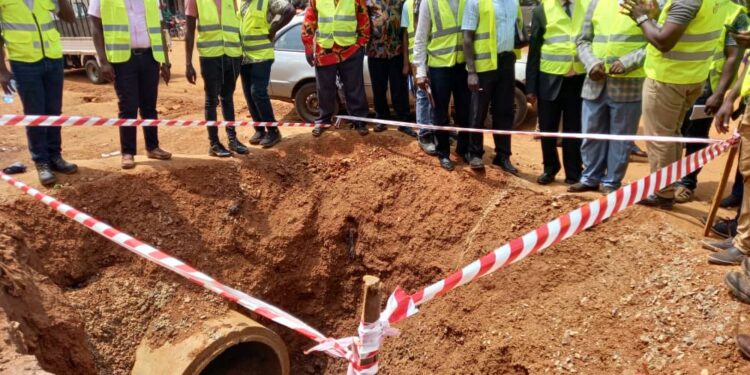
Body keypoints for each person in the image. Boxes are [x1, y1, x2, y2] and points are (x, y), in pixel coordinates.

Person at [622, 0, 724, 209]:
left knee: (660, 138)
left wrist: (640, 17)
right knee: (672, 134)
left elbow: (663, 42)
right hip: (692, 76)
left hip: (668, 78)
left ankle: (662, 192)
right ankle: (669, 183)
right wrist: (656, 14)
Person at [568, 0, 646, 194]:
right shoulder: (597, 3)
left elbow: (653, 43)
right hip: (595, 82)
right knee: (591, 134)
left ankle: (611, 182)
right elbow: (583, 40)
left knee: (621, 139)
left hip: (628, 84)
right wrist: (591, 63)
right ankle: (590, 178)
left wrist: (627, 62)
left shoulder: (649, 4)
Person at [673, 0, 746, 203]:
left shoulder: (736, 14)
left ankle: (686, 183)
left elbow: (735, 56)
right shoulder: (687, 4)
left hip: (707, 88)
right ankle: (665, 181)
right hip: (677, 80)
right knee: (673, 133)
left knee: (695, 134)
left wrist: (720, 94)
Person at [0, 0, 78, 186]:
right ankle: (41, 162)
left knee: (54, 112)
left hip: (52, 58)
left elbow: (70, 18)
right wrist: (2, 70)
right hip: (24, 62)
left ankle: (55, 156)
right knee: (35, 115)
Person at [89, 0, 174, 170]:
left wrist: (165, 60)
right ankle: (128, 152)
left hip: (150, 57)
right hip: (123, 60)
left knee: (149, 106)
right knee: (128, 107)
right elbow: (95, 27)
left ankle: (152, 147)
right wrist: (103, 61)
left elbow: (158, 27)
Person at [527, 0, 586, 185]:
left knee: (574, 130)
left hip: (578, 80)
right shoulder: (542, 10)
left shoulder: (585, 6)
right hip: (549, 80)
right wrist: (531, 87)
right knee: (547, 129)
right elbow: (534, 50)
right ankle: (550, 168)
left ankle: (574, 172)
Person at [462, 0, 524, 171]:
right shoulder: (475, 2)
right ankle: (474, 154)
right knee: (478, 112)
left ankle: (503, 156)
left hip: (506, 62)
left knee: (505, 112)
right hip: (483, 67)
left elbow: (519, 29)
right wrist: (472, 72)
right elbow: (467, 38)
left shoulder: (514, 3)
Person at [413, 0, 474, 171]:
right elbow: (421, 38)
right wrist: (421, 72)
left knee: (465, 111)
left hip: (462, 65)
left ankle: (463, 149)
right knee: (439, 112)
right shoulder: (429, 3)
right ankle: (444, 153)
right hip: (439, 66)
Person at [185, 0, 249, 157]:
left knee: (228, 98)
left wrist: (241, 52)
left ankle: (232, 139)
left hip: (233, 54)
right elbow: (189, 31)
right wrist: (188, 63)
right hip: (210, 56)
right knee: (212, 100)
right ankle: (214, 143)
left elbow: (237, 25)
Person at [302, 0, 371, 136]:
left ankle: (359, 121)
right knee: (324, 88)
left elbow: (364, 20)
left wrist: (360, 44)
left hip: (350, 50)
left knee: (354, 87)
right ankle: (323, 121)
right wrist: (308, 47)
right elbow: (309, 21)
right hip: (325, 50)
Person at [238, 0, 295, 148]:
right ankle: (259, 130)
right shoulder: (241, 3)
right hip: (244, 57)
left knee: (257, 92)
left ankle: (273, 131)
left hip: (262, 55)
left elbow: (289, 10)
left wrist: (273, 29)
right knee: (249, 95)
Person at [367, 0, 416, 136]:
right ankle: (381, 118)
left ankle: (403, 120)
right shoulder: (369, 2)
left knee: (399, 88)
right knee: (378, 88)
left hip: (397, 52)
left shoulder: (401, 2)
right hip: (375, 52)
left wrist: (407, 62)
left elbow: (406, 30)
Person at [402, 0, 436, 155]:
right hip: (417, 58)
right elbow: (406, 35)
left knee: (436, 94)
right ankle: (424, 134)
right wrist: (407, 63)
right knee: (423, 95)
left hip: (436, 54)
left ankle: (436, 130)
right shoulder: (408, 5)